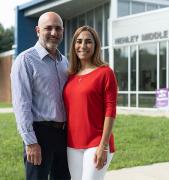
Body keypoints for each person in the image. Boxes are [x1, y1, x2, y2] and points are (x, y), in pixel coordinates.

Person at [11, 12, 70, 180]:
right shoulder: (25, 60)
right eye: (48, 28)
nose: (54, 32)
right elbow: (21, 104)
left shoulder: (64, 62)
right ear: (38, 30)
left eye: (58, 28)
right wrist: (30, 142)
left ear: (63, 31)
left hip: (64, 135)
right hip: (39, 135)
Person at [63, 26, 117, 180]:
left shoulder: (105, 72)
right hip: (72, 143)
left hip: (97, 142)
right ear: (74, 46)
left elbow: (110, 110)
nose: (83, 46)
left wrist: (103, 145)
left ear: (95, 45)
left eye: (88, 42)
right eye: (79, 42)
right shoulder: (70, 76)